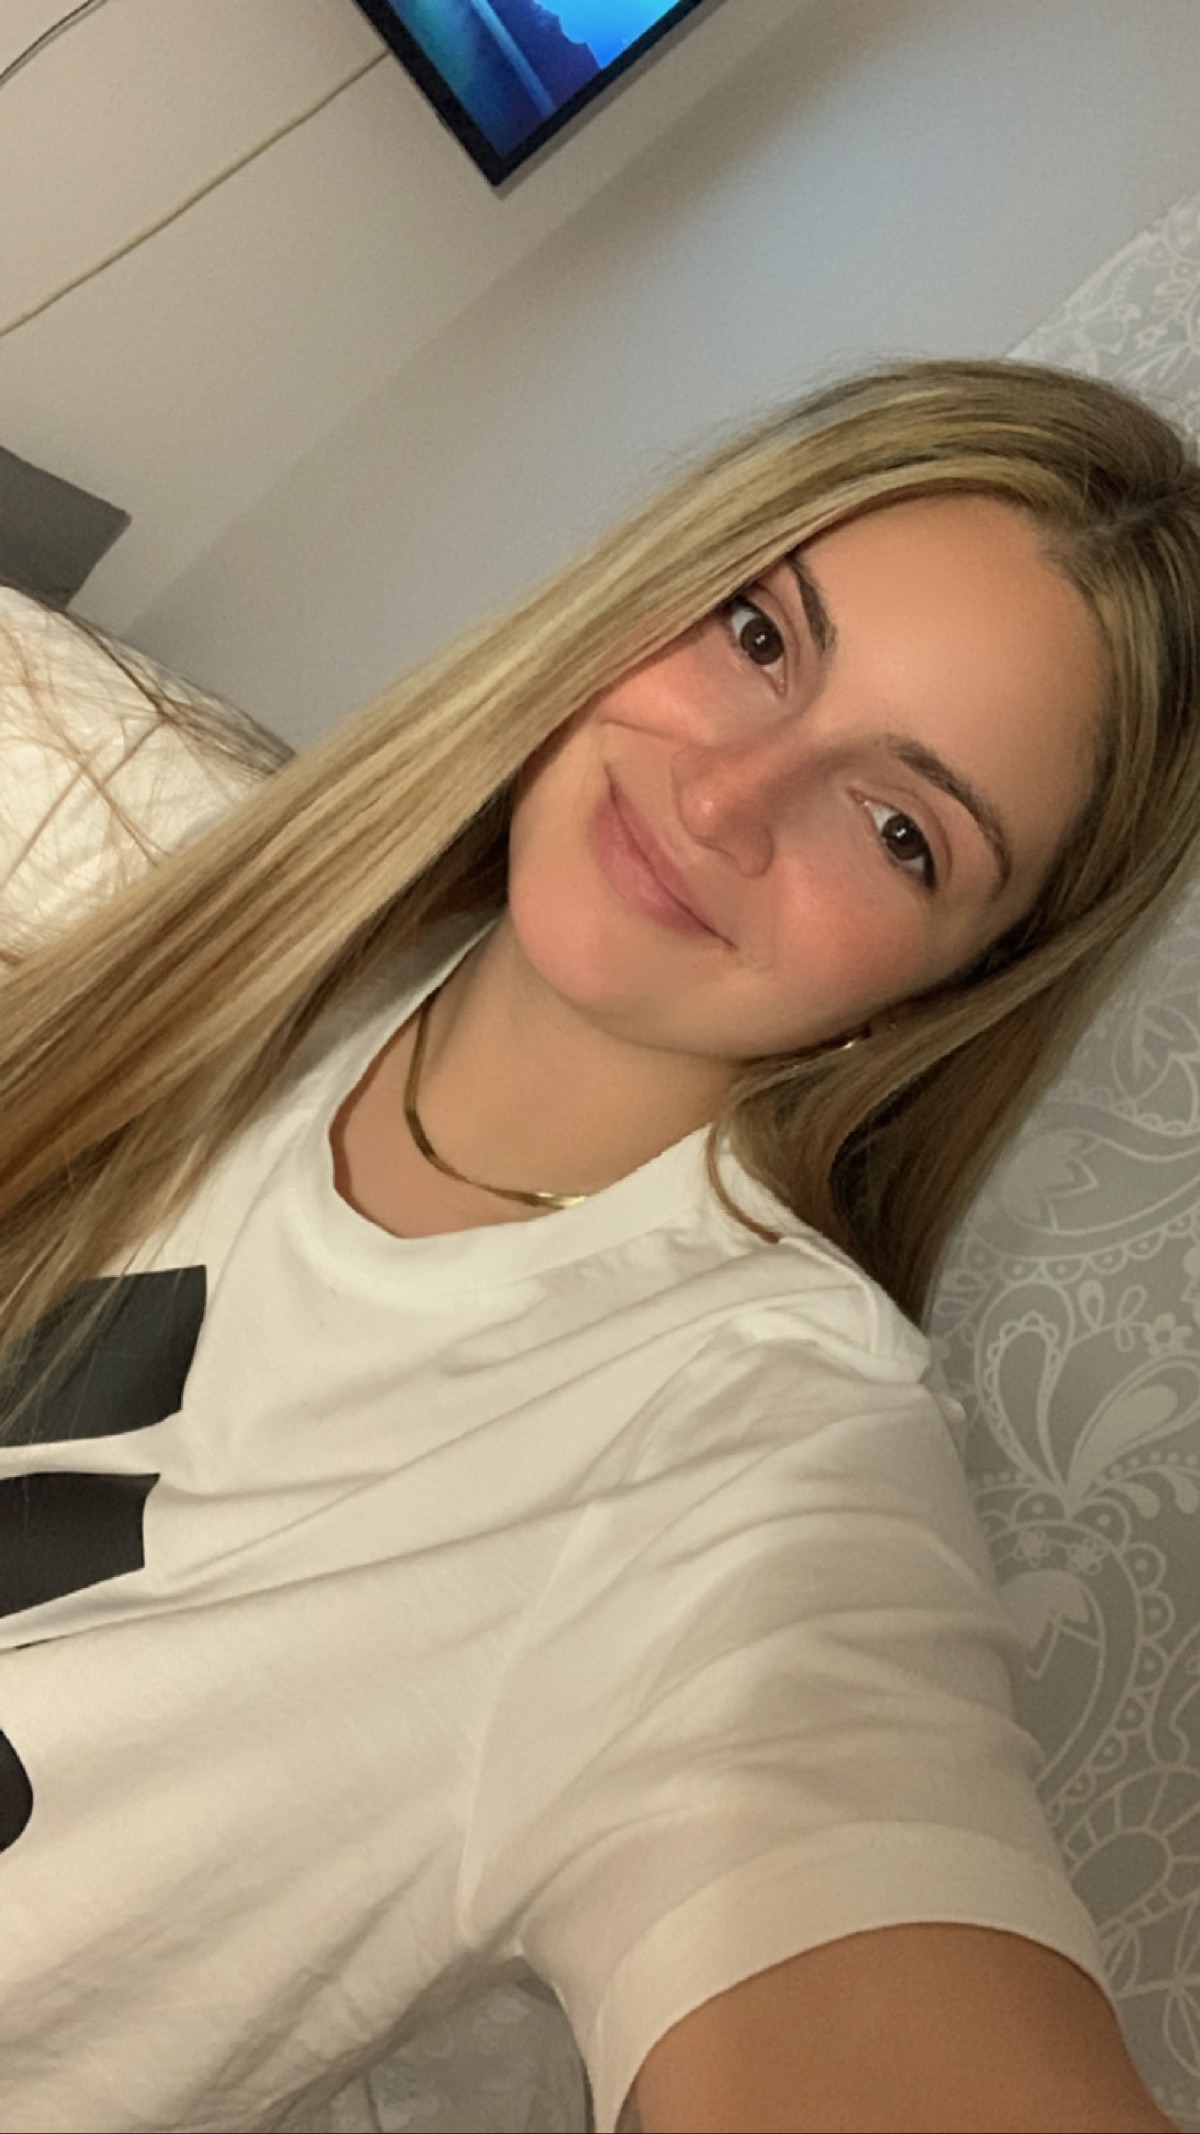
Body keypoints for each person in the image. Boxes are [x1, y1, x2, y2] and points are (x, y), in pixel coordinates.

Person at [0, 357, 1195, 2134]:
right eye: (760, 635)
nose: (726, 798)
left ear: (955, 987)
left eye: (899, 829)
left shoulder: (748, 1478)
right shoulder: (208, 903)